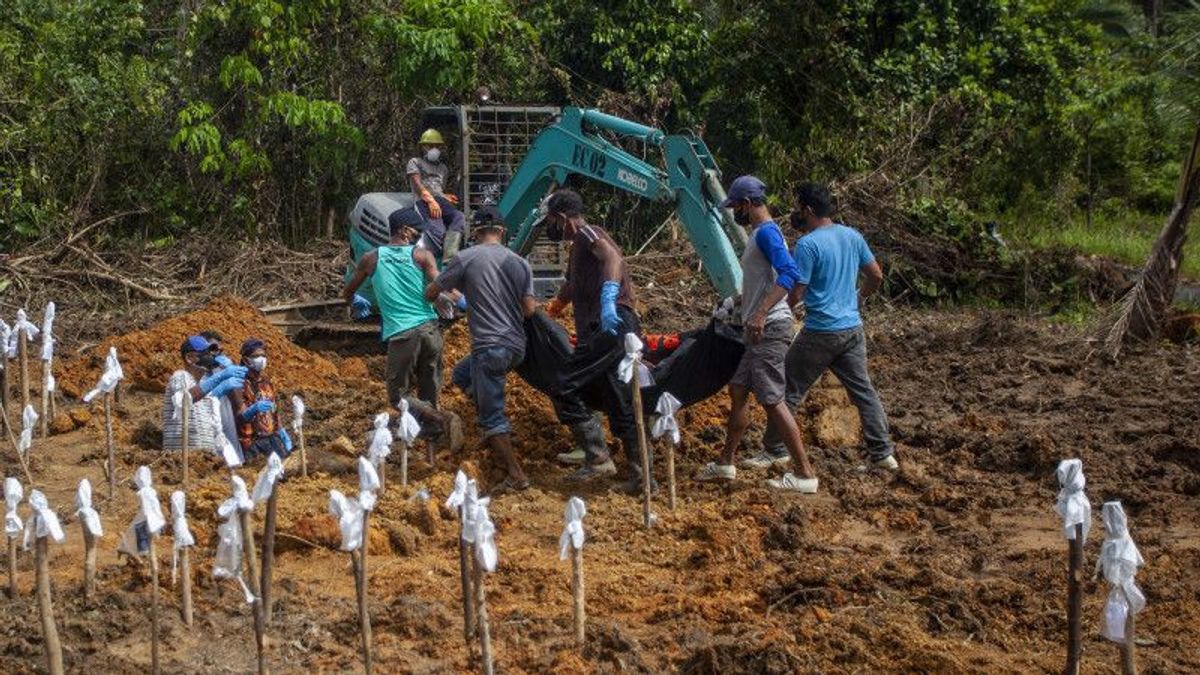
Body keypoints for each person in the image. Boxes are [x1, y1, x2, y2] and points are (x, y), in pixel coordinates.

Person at [756, 182, 899, 471]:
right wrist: (859, 297)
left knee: (788, 390)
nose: (797, 212)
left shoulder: (808, 245)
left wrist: (779, 311)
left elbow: (797, 292)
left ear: (807, 210)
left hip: (820, 332)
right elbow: (875, 275)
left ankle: (774, 449)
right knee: (864, 392)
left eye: (798, 208)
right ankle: (882, 453)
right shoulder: (852, 236)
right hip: (852, 331)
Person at [693, 176, 819, 493]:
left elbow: (789, 273)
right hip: (757, 328)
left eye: (735, 207)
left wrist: (760, 312)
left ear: (747, 205)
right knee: (738, 389)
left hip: (770, 328)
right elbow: (766, 279)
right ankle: (726, 462)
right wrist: (738, 302)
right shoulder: (760, 235)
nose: (733, 212)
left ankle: (805, 475)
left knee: (772, 399)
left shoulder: (767, 233)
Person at [425, 206, 537, 493]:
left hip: (490, 347)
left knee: (492, 415)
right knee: (462, 375)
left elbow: (432, 291)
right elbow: (529, 310)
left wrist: (438, 285)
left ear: (475, 233)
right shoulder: (519, 262)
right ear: (501, 232)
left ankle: (515, 473)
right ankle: (491, 425)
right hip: (515, 346)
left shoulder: (466, 257)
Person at [542, 189, 647, 493]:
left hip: (609, 326)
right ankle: (641, 475)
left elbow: (612, 257)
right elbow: (572, 285)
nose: (551, 229)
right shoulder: (577, 248)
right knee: (618, 398)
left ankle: (598, 456)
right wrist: (554, 307)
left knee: (562, 385)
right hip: (602, 329)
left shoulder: (589, 233)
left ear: (562, 218)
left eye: (551, 222)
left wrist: (609, 296)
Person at [344, 206, 463, 451]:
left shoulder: (371, 258)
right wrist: (462, 299)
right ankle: (432, 451)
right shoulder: (423, 256)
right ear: (404, 231)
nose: (420, 234)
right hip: (431, 331)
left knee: (398, 397)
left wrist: (355, 300)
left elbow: (348, 290)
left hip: (403, 335)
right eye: (416, 229)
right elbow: (442, 284)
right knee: (429, 395)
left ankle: (443, 421)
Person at [162, 335, 247, 453]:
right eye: (204, 353)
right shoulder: (180, 376)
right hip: (182, 457)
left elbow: (215, 426)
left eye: (210, 353)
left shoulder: (204, 390)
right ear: (189, 358)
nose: (210, 357)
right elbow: (183, 400)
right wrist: (219, 378)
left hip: (204, 457)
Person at [408, 128, 466, 263]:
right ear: (422, 147)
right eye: (430, 145)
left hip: (439, 200)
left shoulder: (443, 168)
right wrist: (431, 201)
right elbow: (418, 186)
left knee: (459, 217)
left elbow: (437, 188)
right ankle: (423, 259)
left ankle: (450, 257)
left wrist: (444, 196)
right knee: (437, 231)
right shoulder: (415, 162)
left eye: (437, 146)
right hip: (423, 201)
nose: (434, 149)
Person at [236, 337, 293, 460]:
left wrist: (281, 431)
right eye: (256, 356)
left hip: (272, 437)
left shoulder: (267, 383)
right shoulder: (239, 384)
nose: (261, 359)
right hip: (251, 441)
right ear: (246, 360)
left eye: (263, 356)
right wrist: (252, 410)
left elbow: (274, 411)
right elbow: (239, 416)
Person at [199, 330, 242, 451]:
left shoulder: (222, 370)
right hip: (206, 435)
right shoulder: (194, 375)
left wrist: (231, 374)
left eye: (219, 350)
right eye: (212, 349)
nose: (216, 353)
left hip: (227, 429)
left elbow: (239, 404)